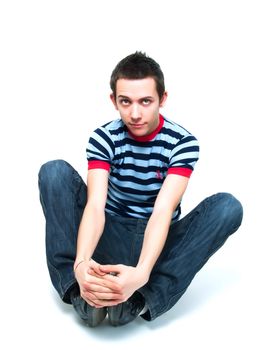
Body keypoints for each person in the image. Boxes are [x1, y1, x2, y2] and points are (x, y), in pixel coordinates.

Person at [38, 51, 243, 327]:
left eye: (146, 101)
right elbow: (95, 206)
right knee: (54, 172)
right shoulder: (104, 138)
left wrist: (142, 272)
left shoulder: (182, 143)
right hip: (109, 232)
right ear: (114, 101)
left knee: (228, 207)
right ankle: (80, 289)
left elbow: (162, 211)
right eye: (126, 102)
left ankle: (139, 298)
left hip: (155, 242)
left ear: (162, 99)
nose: (135, 113)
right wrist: (82, 262)